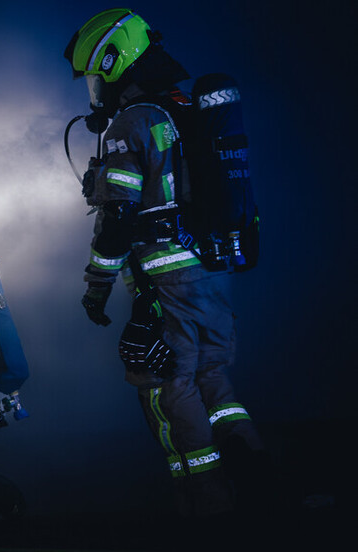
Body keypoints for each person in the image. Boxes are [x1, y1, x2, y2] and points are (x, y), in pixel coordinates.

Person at [63, 9, 269, 517]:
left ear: (115, 64)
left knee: (169, 388)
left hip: (164, 281)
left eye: (94, 78)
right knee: (214, 381)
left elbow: (117, 219)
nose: (94, 91)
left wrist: (96, 288)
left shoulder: (130, 123)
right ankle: (255, 479)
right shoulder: (182, 109)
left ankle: (207, 505)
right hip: (209, 274)